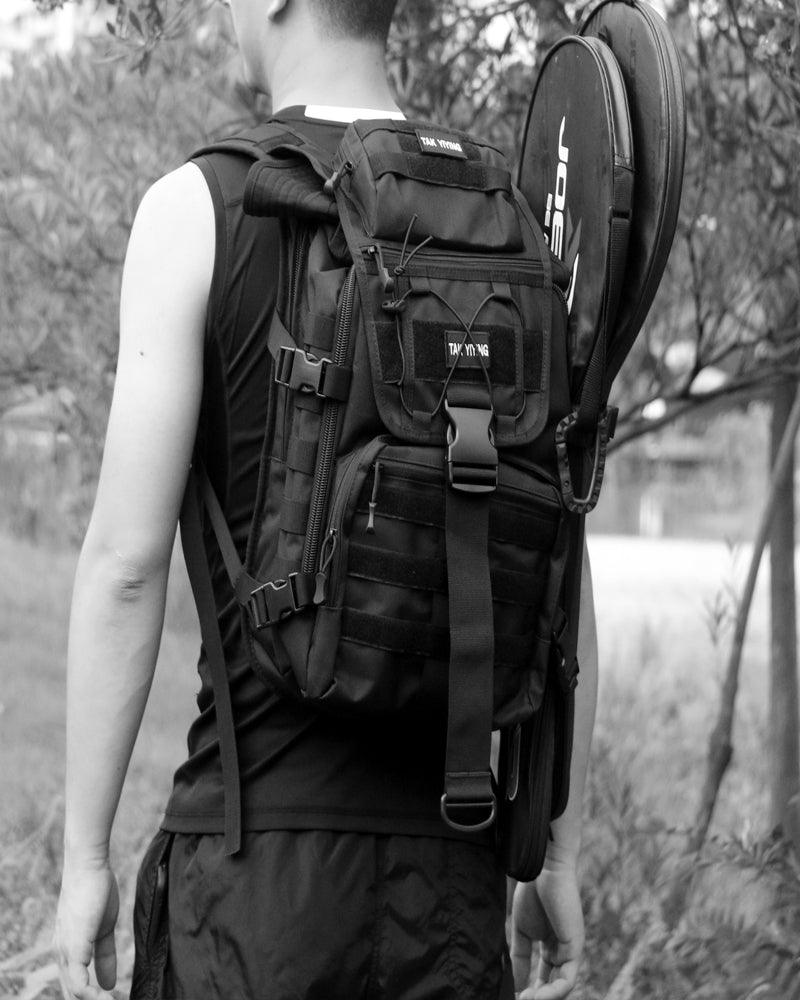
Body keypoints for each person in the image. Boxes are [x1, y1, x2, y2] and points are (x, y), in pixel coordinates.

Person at [54, 1, 598, 998]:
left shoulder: (198, 208)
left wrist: (83, 858)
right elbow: (559, 574)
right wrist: (555, 850)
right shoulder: (508, 222)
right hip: (454, 883)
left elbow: (126, 566)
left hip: (251, 883)